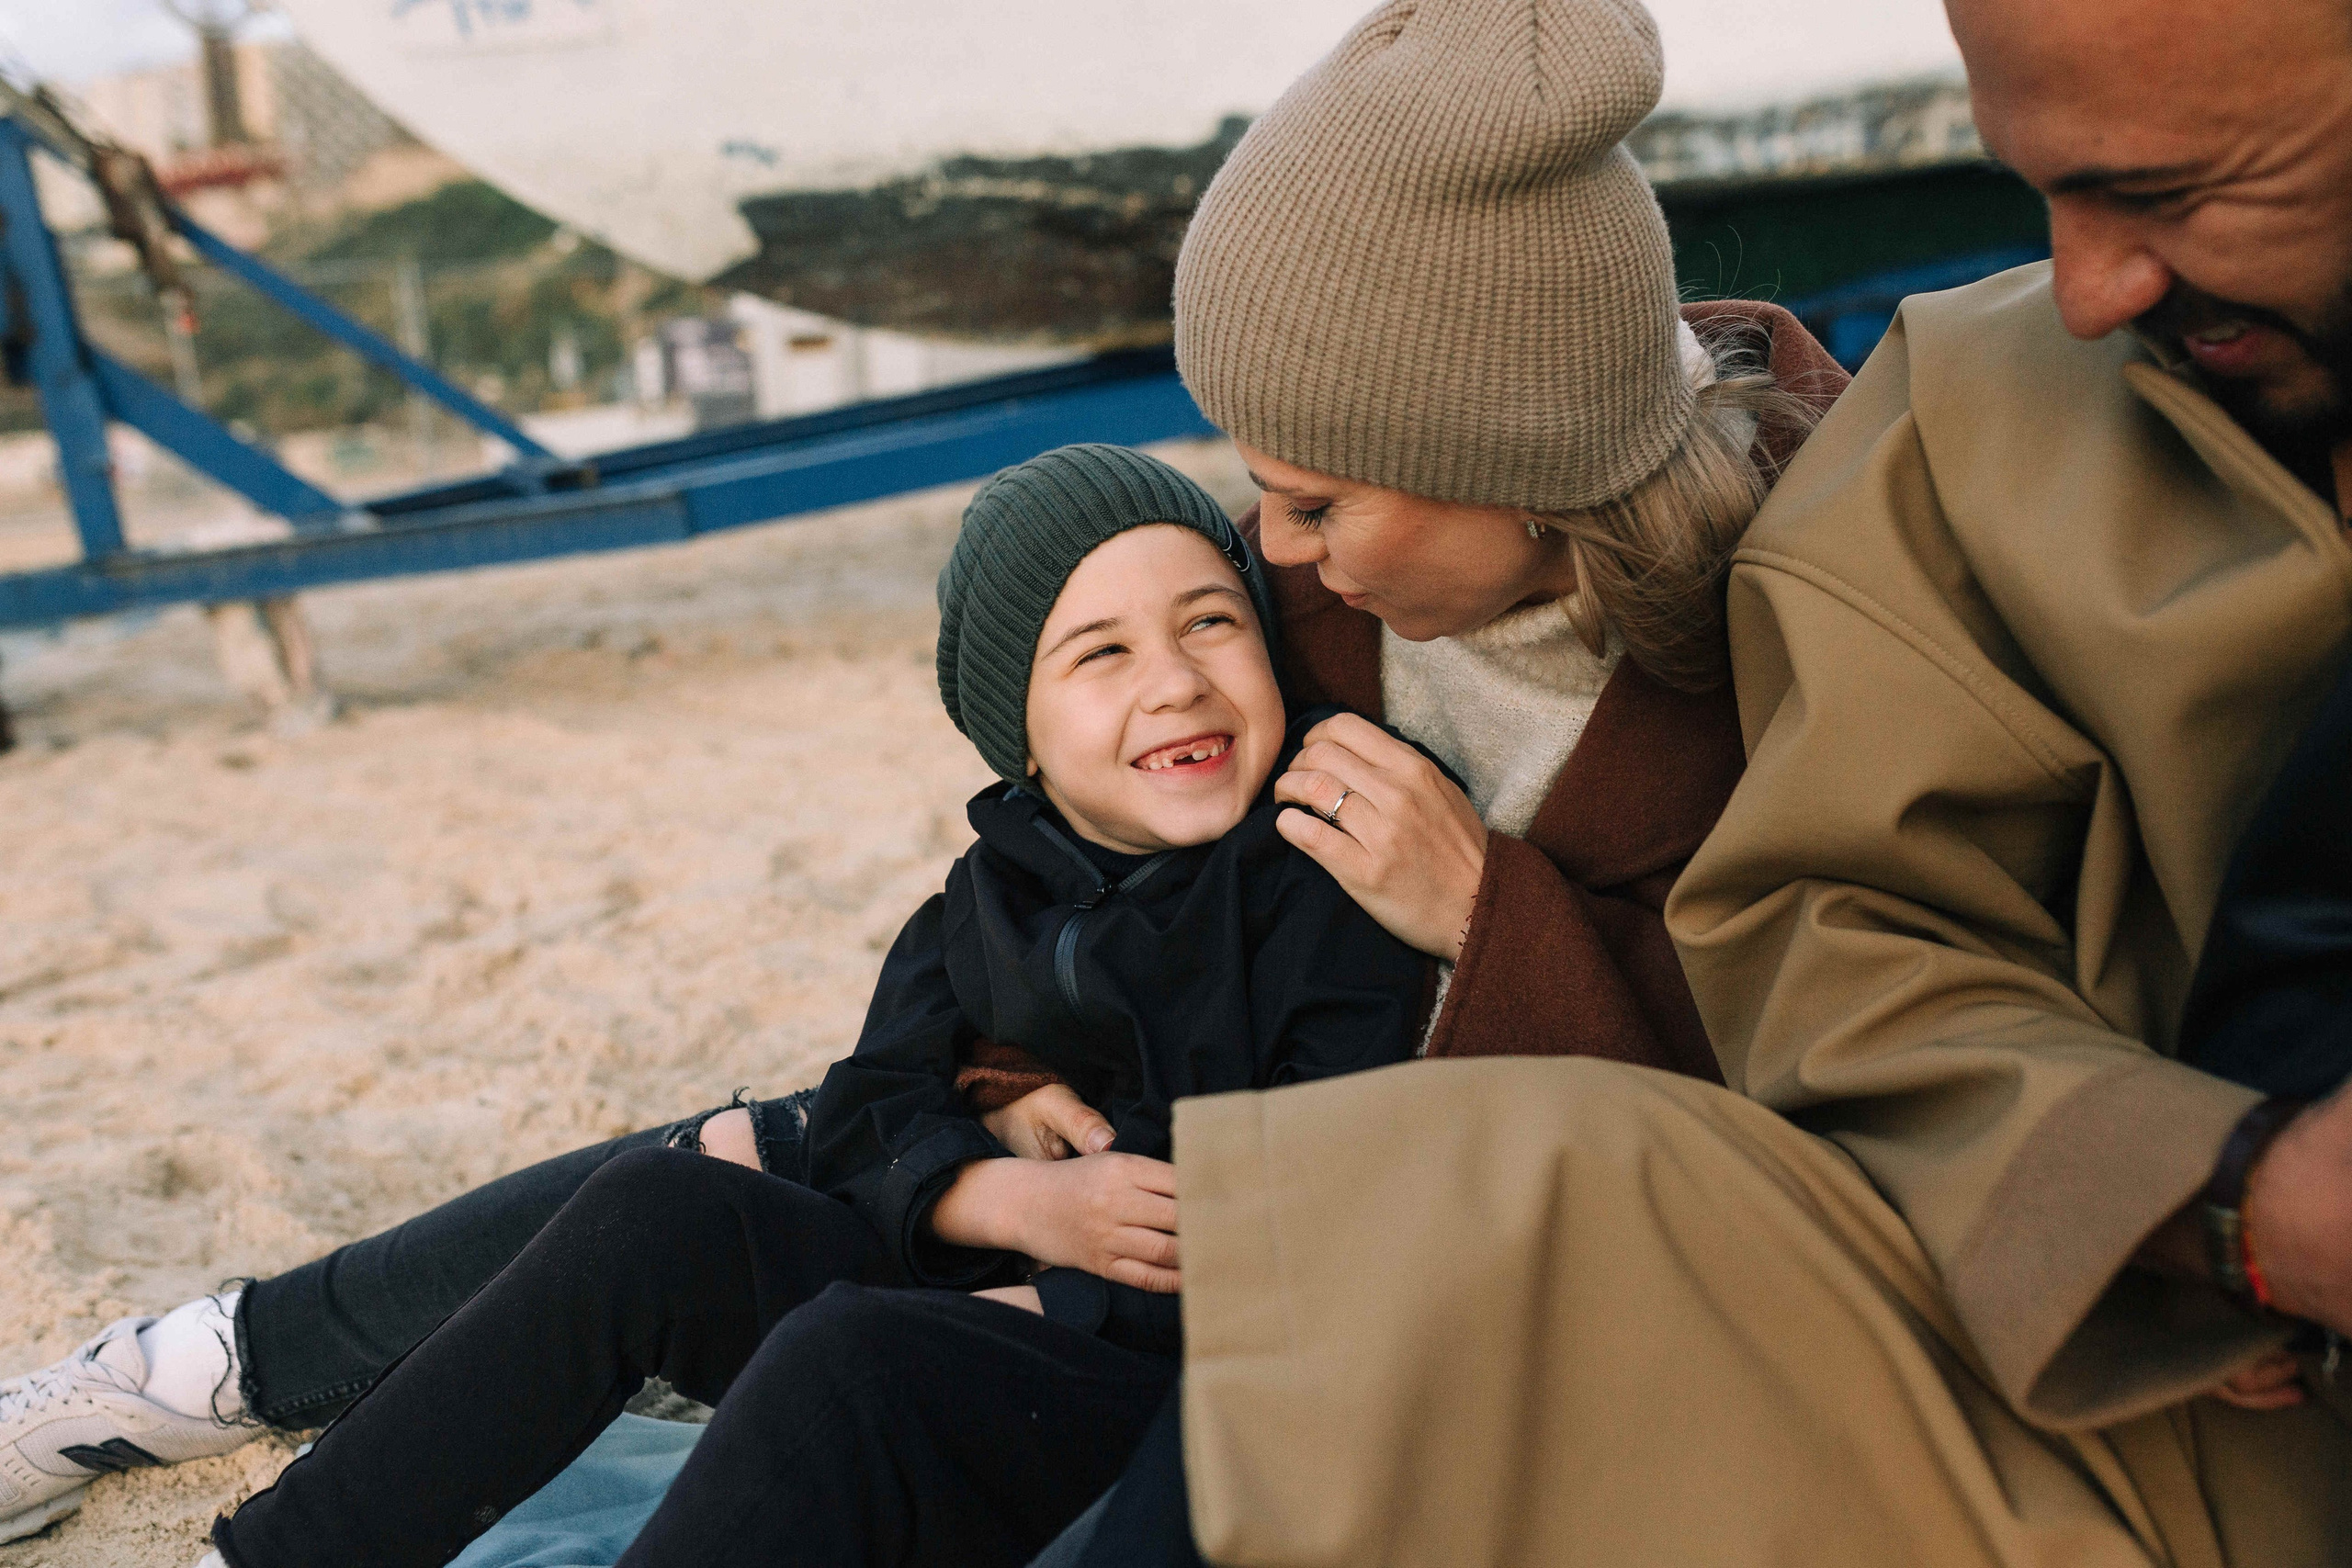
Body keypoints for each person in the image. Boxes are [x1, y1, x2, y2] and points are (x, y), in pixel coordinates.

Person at [0, 7, 1843, 1553]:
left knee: (865, 1278)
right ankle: (213, 1364)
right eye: (1256, 496)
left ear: (1503, 457)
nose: (1271, 561)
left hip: (1373, 1234)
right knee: (731, 1155)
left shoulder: (1795, 653)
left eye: (1303, 505)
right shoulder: (1315, 584)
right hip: (1135, 1110)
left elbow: (1802, 1112)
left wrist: (1489, 918)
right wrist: (993, 1118)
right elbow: (1083, 787)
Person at [1102, 0, 2352, 1563]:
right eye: (2041, 188)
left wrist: (1498, 921)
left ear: (1524, 466)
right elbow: (1836, 960)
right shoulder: (1968, 429)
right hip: (2094, 1339)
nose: (2088, 288)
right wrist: (2221, 1203)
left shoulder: (1728, 626)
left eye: (2175, 190)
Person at [195, 443, 1436, 1568]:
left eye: (1212, 624)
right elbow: (864, 1110)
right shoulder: (990, 893)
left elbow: (1308, 1201)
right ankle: (278, 1557)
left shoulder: (1319, 882)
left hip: (1162, 1383)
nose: (1174, 682)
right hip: (979, 1284)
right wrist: (997, 1188)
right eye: (1102, 652)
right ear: (1022, 733)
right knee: (653, 1210)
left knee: (852, 1355)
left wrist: (1062, 1278)